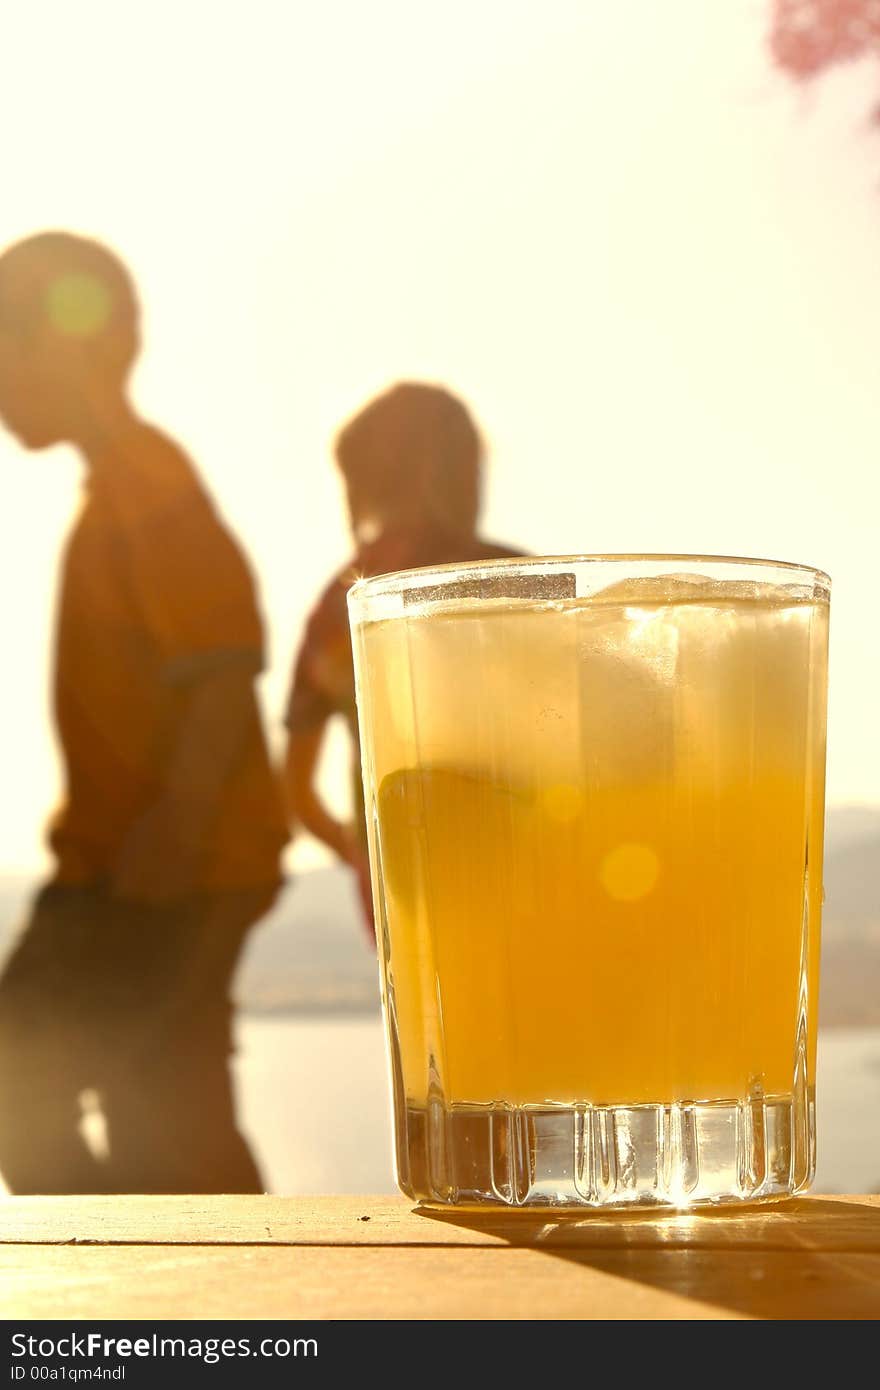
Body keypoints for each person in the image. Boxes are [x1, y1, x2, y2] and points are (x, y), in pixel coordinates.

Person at [0, 232, 288, 1193]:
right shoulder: (122, 484)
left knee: (32, 1081)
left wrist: (177, 826)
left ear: (58, 346)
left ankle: (144, 1304)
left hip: (151, 872)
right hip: (151, 867)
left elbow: (221, 667)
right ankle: (208, 1312)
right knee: (164, 1108)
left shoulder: (145, 481)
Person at [282, 382, 522, 936]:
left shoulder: (342, 602)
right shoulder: (517, 579)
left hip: (403, 879)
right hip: (522, 858)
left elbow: (296, 789)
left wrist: (358, 854)